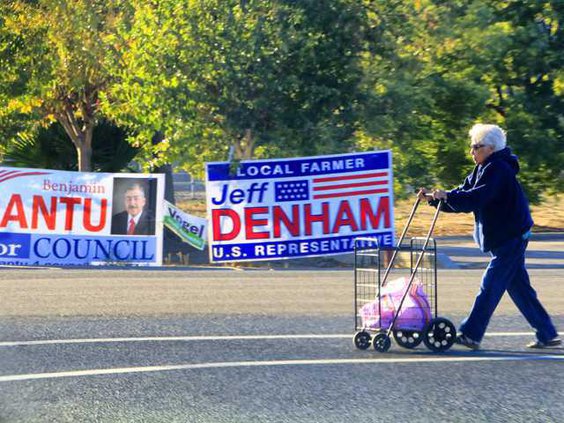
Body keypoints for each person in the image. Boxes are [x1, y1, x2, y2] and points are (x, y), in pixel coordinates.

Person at [418, 123, 560, 350]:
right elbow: (462, 193)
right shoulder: (483, 168)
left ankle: (470, 334)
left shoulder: (498, 169)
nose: (471, 151)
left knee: (490, 286)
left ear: (490, 148)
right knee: (519, 287)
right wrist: (436, 199)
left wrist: (446, 198)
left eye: (476, 146)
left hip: (511, 236)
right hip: (504, 236)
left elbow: (476, 198)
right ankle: (547, 333)